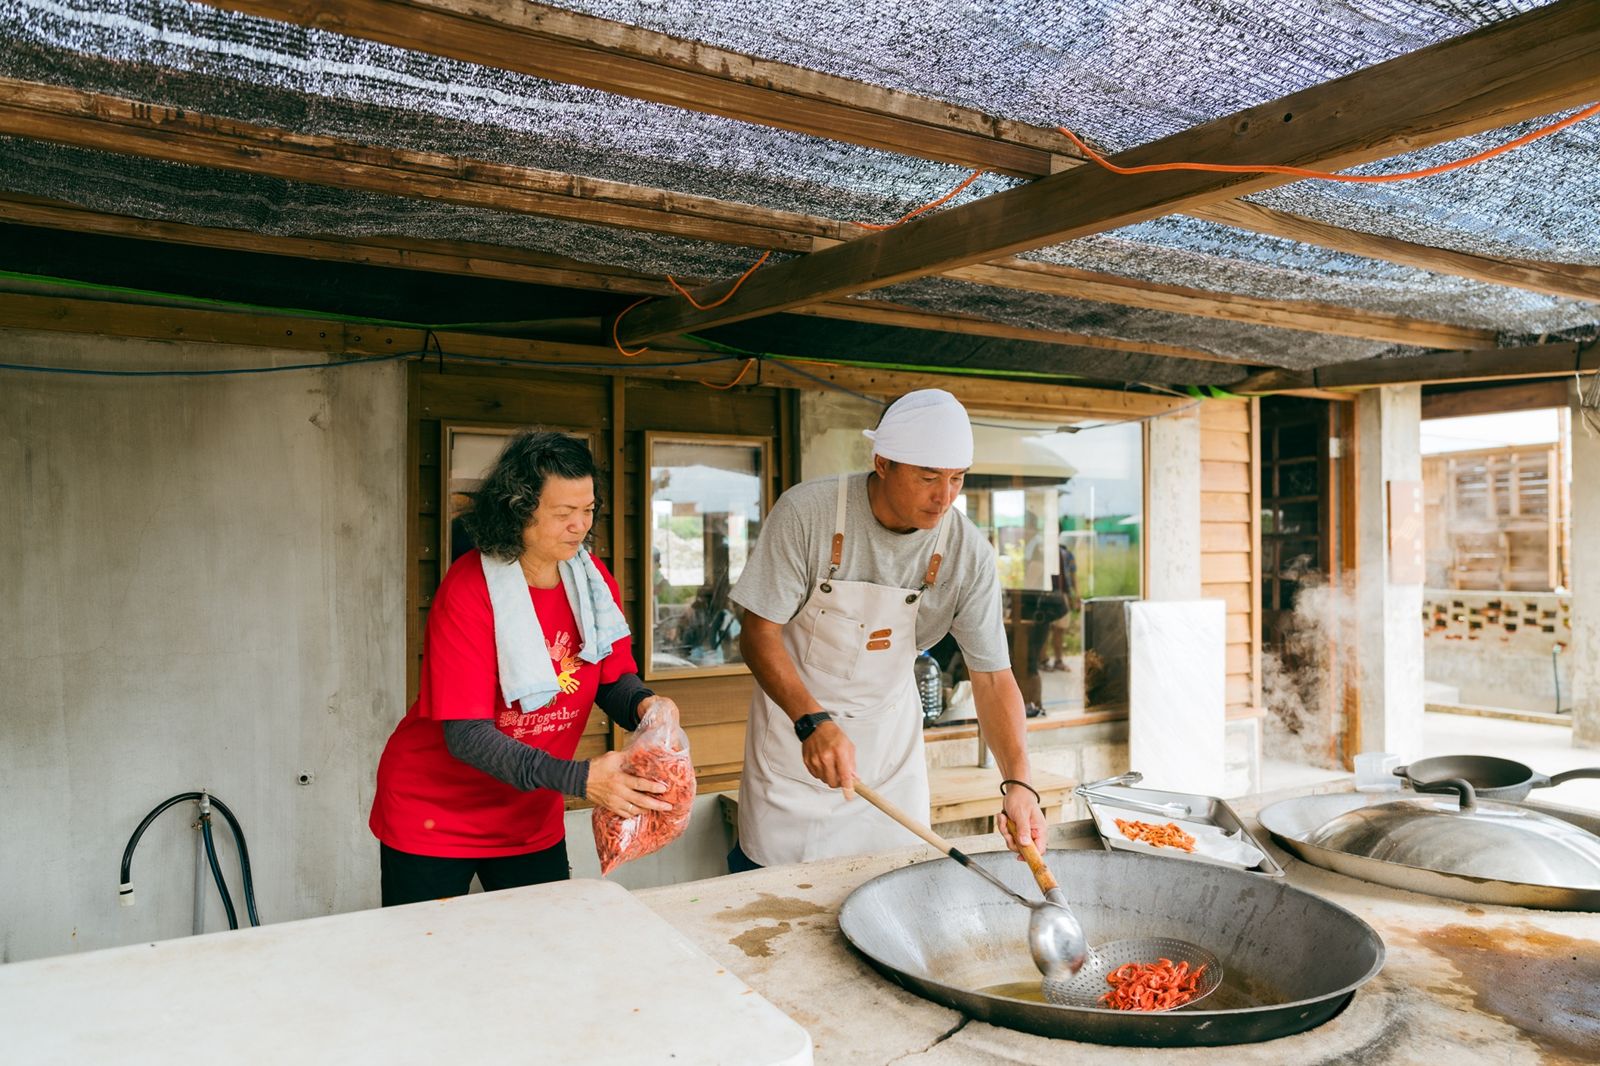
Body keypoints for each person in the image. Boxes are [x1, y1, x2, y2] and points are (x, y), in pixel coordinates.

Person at [727, 389, 1047, 871]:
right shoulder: (807, 514)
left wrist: (1020, 784)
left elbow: (992, 678)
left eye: (957, 478)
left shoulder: (967, 553)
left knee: (893, 896)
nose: (945, 497)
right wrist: (812, 721)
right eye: (928, 477)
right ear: (882, 463)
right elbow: (757, 634)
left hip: (889, 757)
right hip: (796, 750)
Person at [369, 430, 681, 906]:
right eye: (562, 513)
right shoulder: (470, 588)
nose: (580, 526)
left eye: (588, 510)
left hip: (528, 814)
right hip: (435, 812)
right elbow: (466, 735)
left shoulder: (592, 582)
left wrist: (648, 707)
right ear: (518, 508)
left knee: (544, 950)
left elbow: (613, 679)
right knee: (423, 959)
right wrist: (581, 780)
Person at [1044, 534, 1080, 672]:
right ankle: (1048, 660)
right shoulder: (1047, 552)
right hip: (1053, 595)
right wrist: (1075, 596)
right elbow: (1074, 578)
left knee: (1055, 629)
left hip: (1057, 594)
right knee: (1051, 630)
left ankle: (1053, 660)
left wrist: (1075, 596)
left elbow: (1072, 577)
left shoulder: (1065, 554)